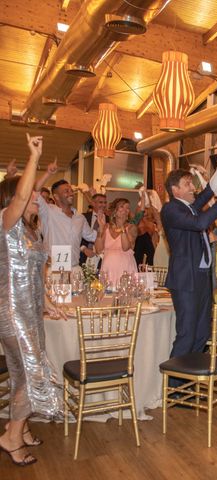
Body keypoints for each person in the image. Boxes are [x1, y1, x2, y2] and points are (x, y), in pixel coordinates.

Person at [0, 135, 64, 467]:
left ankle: (20, 429)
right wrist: (34, 158)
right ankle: (11, 435)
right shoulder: (6, 223)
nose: (37, 198)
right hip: (11, 311)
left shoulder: (30, 231)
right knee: (31, 372)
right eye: (32, 196)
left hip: (30, 311)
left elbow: (38, 272)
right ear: (15, 199)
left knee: (19, 373)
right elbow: (24, 191)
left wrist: (47, 301)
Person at [161, 168, 217, 362]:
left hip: (202, 278)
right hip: (186, 281)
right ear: (175, 190)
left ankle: (189, 382)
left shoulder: (190, 206)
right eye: (188, 184)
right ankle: (174, 389)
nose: (193, 187)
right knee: (186, 335)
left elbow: (208, 190)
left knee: (202, 334)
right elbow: (200, 223)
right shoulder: (171, 209)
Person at [35, 164, 97, 269]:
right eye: (66, 191)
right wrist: (48, 173)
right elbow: (35, 191)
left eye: (71, 191)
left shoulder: (79, 217)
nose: (71, 193)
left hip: (75, 269)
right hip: (54, 269)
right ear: (56, 197)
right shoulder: (48, 211)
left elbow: (93, 236)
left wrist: (106, 227)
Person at [94, 198, 138, 287]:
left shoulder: (131, 228)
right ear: (114, 211)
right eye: (122, 207)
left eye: (128, 208)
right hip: (108, 269)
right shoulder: (106, 227)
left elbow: (125, 248)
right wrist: (100, 230)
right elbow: (98, 250)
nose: (125, 210)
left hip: (125, 269)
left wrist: (122, 226)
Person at [79, 192, 108, 267]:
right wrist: (84, 249)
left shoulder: (110, 220)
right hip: (83, 256)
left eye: (105, 202)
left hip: (103, 258)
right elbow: (76, 236)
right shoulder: (82, 217)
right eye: (100, 202)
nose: (103, 205)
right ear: (93, 203)